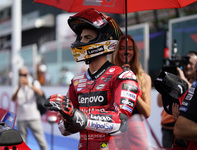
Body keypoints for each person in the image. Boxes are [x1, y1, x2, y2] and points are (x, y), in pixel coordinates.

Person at [44, 8, 141, 150]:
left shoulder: (123, 76)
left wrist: (77, 116)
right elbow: (63, 130)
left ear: (104, 40)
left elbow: (121, 122)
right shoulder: (76, 82)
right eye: (81, 37)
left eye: (87, 38)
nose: (81, 42)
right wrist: (68, 117)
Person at [110, 34, 152, 149]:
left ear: (134, 52)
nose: (126, 52)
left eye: (130, 48)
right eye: (122, 48)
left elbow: (147, 112)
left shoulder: (144, 78)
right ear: (117, 51)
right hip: (113, 127)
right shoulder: (109, 75)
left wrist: (131, 85)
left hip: (135, 129)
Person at [157, 50, 197, 149]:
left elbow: (194, 92)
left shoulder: (196, 83)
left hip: (189, 128)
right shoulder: (174, 78)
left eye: (191, 64)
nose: (188, 66)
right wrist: (167, 81)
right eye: (185, 63)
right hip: (168, 126)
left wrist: (182, 79)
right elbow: (159, 103)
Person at [12, 66, 48, 150]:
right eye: (20, 74)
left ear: (28, 74)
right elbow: (13, 99)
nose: (22, 76)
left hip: (33, 116)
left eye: (24, 74)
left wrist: (29, 85)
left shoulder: (34, 83)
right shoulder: (16, 85)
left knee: (42, 142)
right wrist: (18, 87)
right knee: (22, 143)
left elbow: (40, 93)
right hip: (21, 118)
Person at [174, 58, 197, 150]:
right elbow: (181, 129)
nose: (188, 66)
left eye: (192, 64)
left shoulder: (192, 83)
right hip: (170, 126)